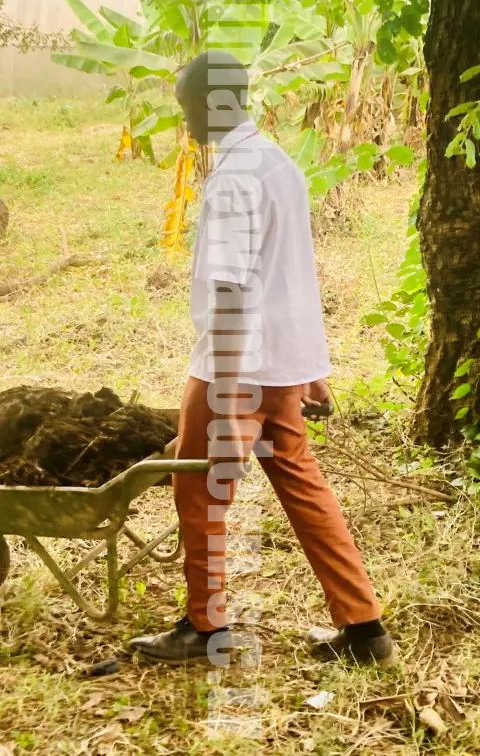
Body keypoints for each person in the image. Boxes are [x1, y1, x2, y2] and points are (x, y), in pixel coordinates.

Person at [130, 51, 395, 667]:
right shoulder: (279, 164)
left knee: (197, 491)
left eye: (188, 108)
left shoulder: (231, 180)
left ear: (213, 103)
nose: (186, 122)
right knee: (303, 487)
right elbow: (294, 277)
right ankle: (365, 631)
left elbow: (230, 287)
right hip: (278, 368)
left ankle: (204, 628)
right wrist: (310, 368)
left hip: (235, 366)